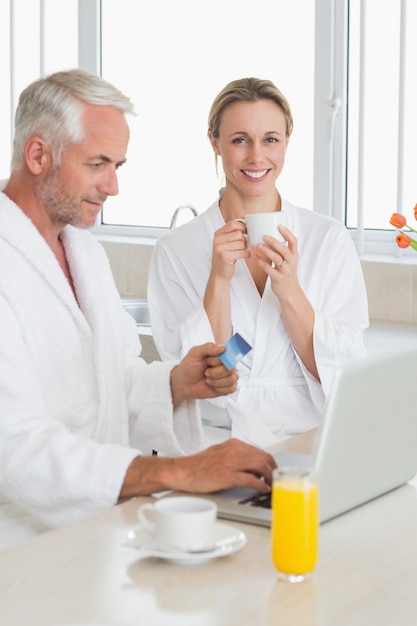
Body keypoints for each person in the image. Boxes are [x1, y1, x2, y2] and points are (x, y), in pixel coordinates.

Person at [0, 69, 277, 551]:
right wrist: (178, 471)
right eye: (98, 163)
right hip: (19, 551)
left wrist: (173, 383)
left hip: (91, 536)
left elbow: (112, 381)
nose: (113, 186)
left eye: (119, 166)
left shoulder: (83, 253)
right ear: (38, 155)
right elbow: (15, 447)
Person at [148, 77, 369, 447]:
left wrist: (290, 292)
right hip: (217, 440)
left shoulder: (328, 239)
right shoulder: (176, 249)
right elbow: (204, 374)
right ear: (214, 142)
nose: (256, 157)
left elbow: (344, 370)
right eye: (239, 140)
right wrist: (218, 280)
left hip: (310, 437)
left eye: (270, 139)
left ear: (286, 143)